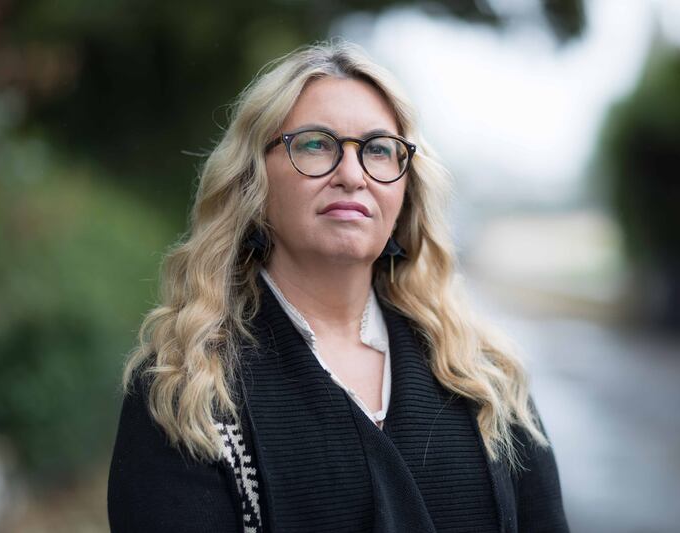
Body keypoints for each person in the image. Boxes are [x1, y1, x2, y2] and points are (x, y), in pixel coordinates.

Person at [107, 39, 569, 533]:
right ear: (253, 184)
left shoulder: (483, 378)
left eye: (378, 150)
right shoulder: (189, 389)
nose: (352, 175)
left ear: (405, 188)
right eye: (315, 143)